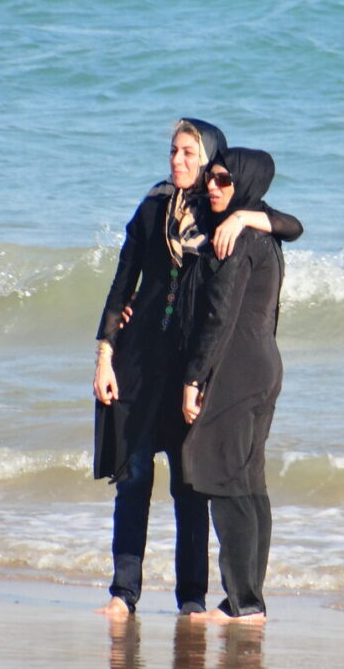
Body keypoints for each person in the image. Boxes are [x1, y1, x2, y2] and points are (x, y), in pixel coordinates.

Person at [93, 120, 302, 618]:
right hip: (139, 363)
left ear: (209, 159)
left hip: (191, 366)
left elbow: (292, 226)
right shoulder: (153, 207)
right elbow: (124, 280)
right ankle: (124, 594)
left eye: (189, 152)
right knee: (134, 476)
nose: (178, 161)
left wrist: (247, 220)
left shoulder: (222, 212)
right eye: (173, 151)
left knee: (190, 486)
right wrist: (105, 352)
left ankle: (191, 598)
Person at [180, 147, 287, 623]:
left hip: (236, 368)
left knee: (225, 480)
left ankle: (244, 603)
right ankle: (247, 601)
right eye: (212, 178)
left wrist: (194, 378)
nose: (213, 186)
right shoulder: (259, 231)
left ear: (245, 185)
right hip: (262, 367)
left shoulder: (237, 239)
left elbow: (219, 316)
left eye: (224, 180)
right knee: (248, 483)